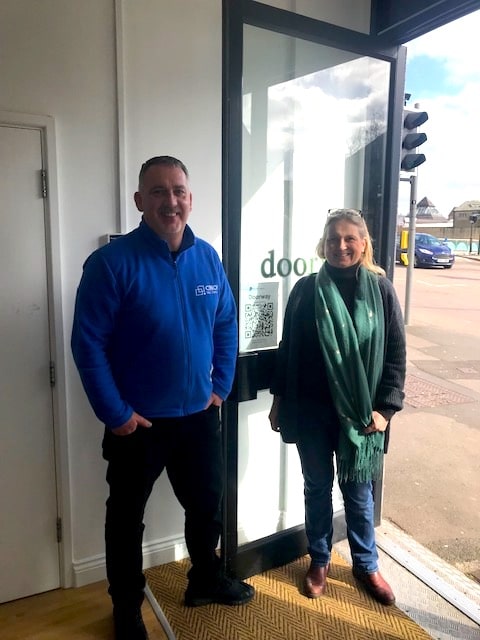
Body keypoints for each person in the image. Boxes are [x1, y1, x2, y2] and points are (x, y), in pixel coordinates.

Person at [71, 156, 254, 640]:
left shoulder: (208, 257)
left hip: (198, 416)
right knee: (127, 520)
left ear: (190, 199)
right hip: (138, 424)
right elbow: (87, 343)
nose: (169, 201)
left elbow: (225, 323)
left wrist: (220, 386)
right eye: (157, 192)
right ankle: (127, 609)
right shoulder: (111, 264)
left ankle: (205, 579)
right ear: (139, 201)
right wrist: (116, 414)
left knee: (207, 507)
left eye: (178, 191)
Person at [268, 209, 406, 606]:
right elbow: (287, 349)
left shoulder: (381, 292)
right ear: (323, 244)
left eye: (349, 239)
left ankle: (366, 564)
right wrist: (279, 402)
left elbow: (396, 355)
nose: (341, 246)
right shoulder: (306, 290)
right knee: (316, 487)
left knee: (359, 493)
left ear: (363, 244)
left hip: (362, 416)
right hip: (311, 410)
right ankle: (320, 558)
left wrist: (386, 409)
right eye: (333, 239)